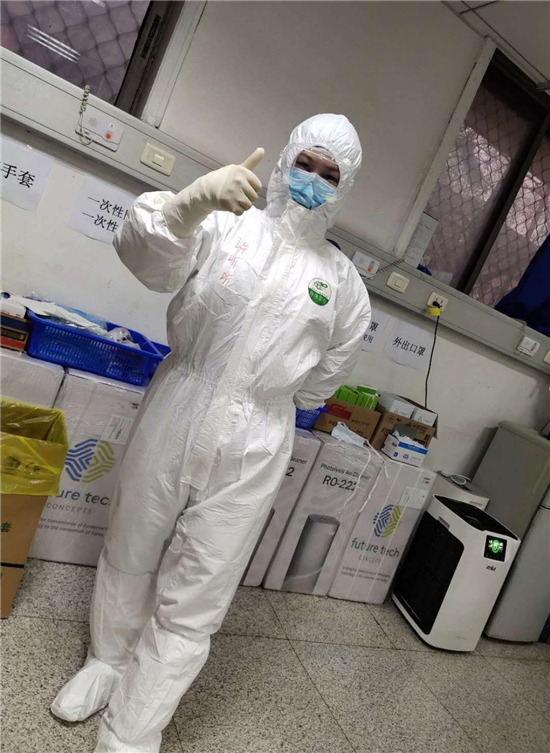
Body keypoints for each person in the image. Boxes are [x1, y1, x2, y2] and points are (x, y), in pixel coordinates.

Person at [51, 113, 371, 753]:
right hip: (181, 398)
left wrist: (265, 396)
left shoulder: (343, 286)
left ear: (344, 188)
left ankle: (133, 729)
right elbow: (145, 258)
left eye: (329, 175)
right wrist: (189, 203)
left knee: (200, 588)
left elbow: (323, 380)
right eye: (305, 164)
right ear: (285, 160)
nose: (312, 180)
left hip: (258, 436)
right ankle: (106, 662)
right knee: (133, 542)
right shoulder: (227, 224)